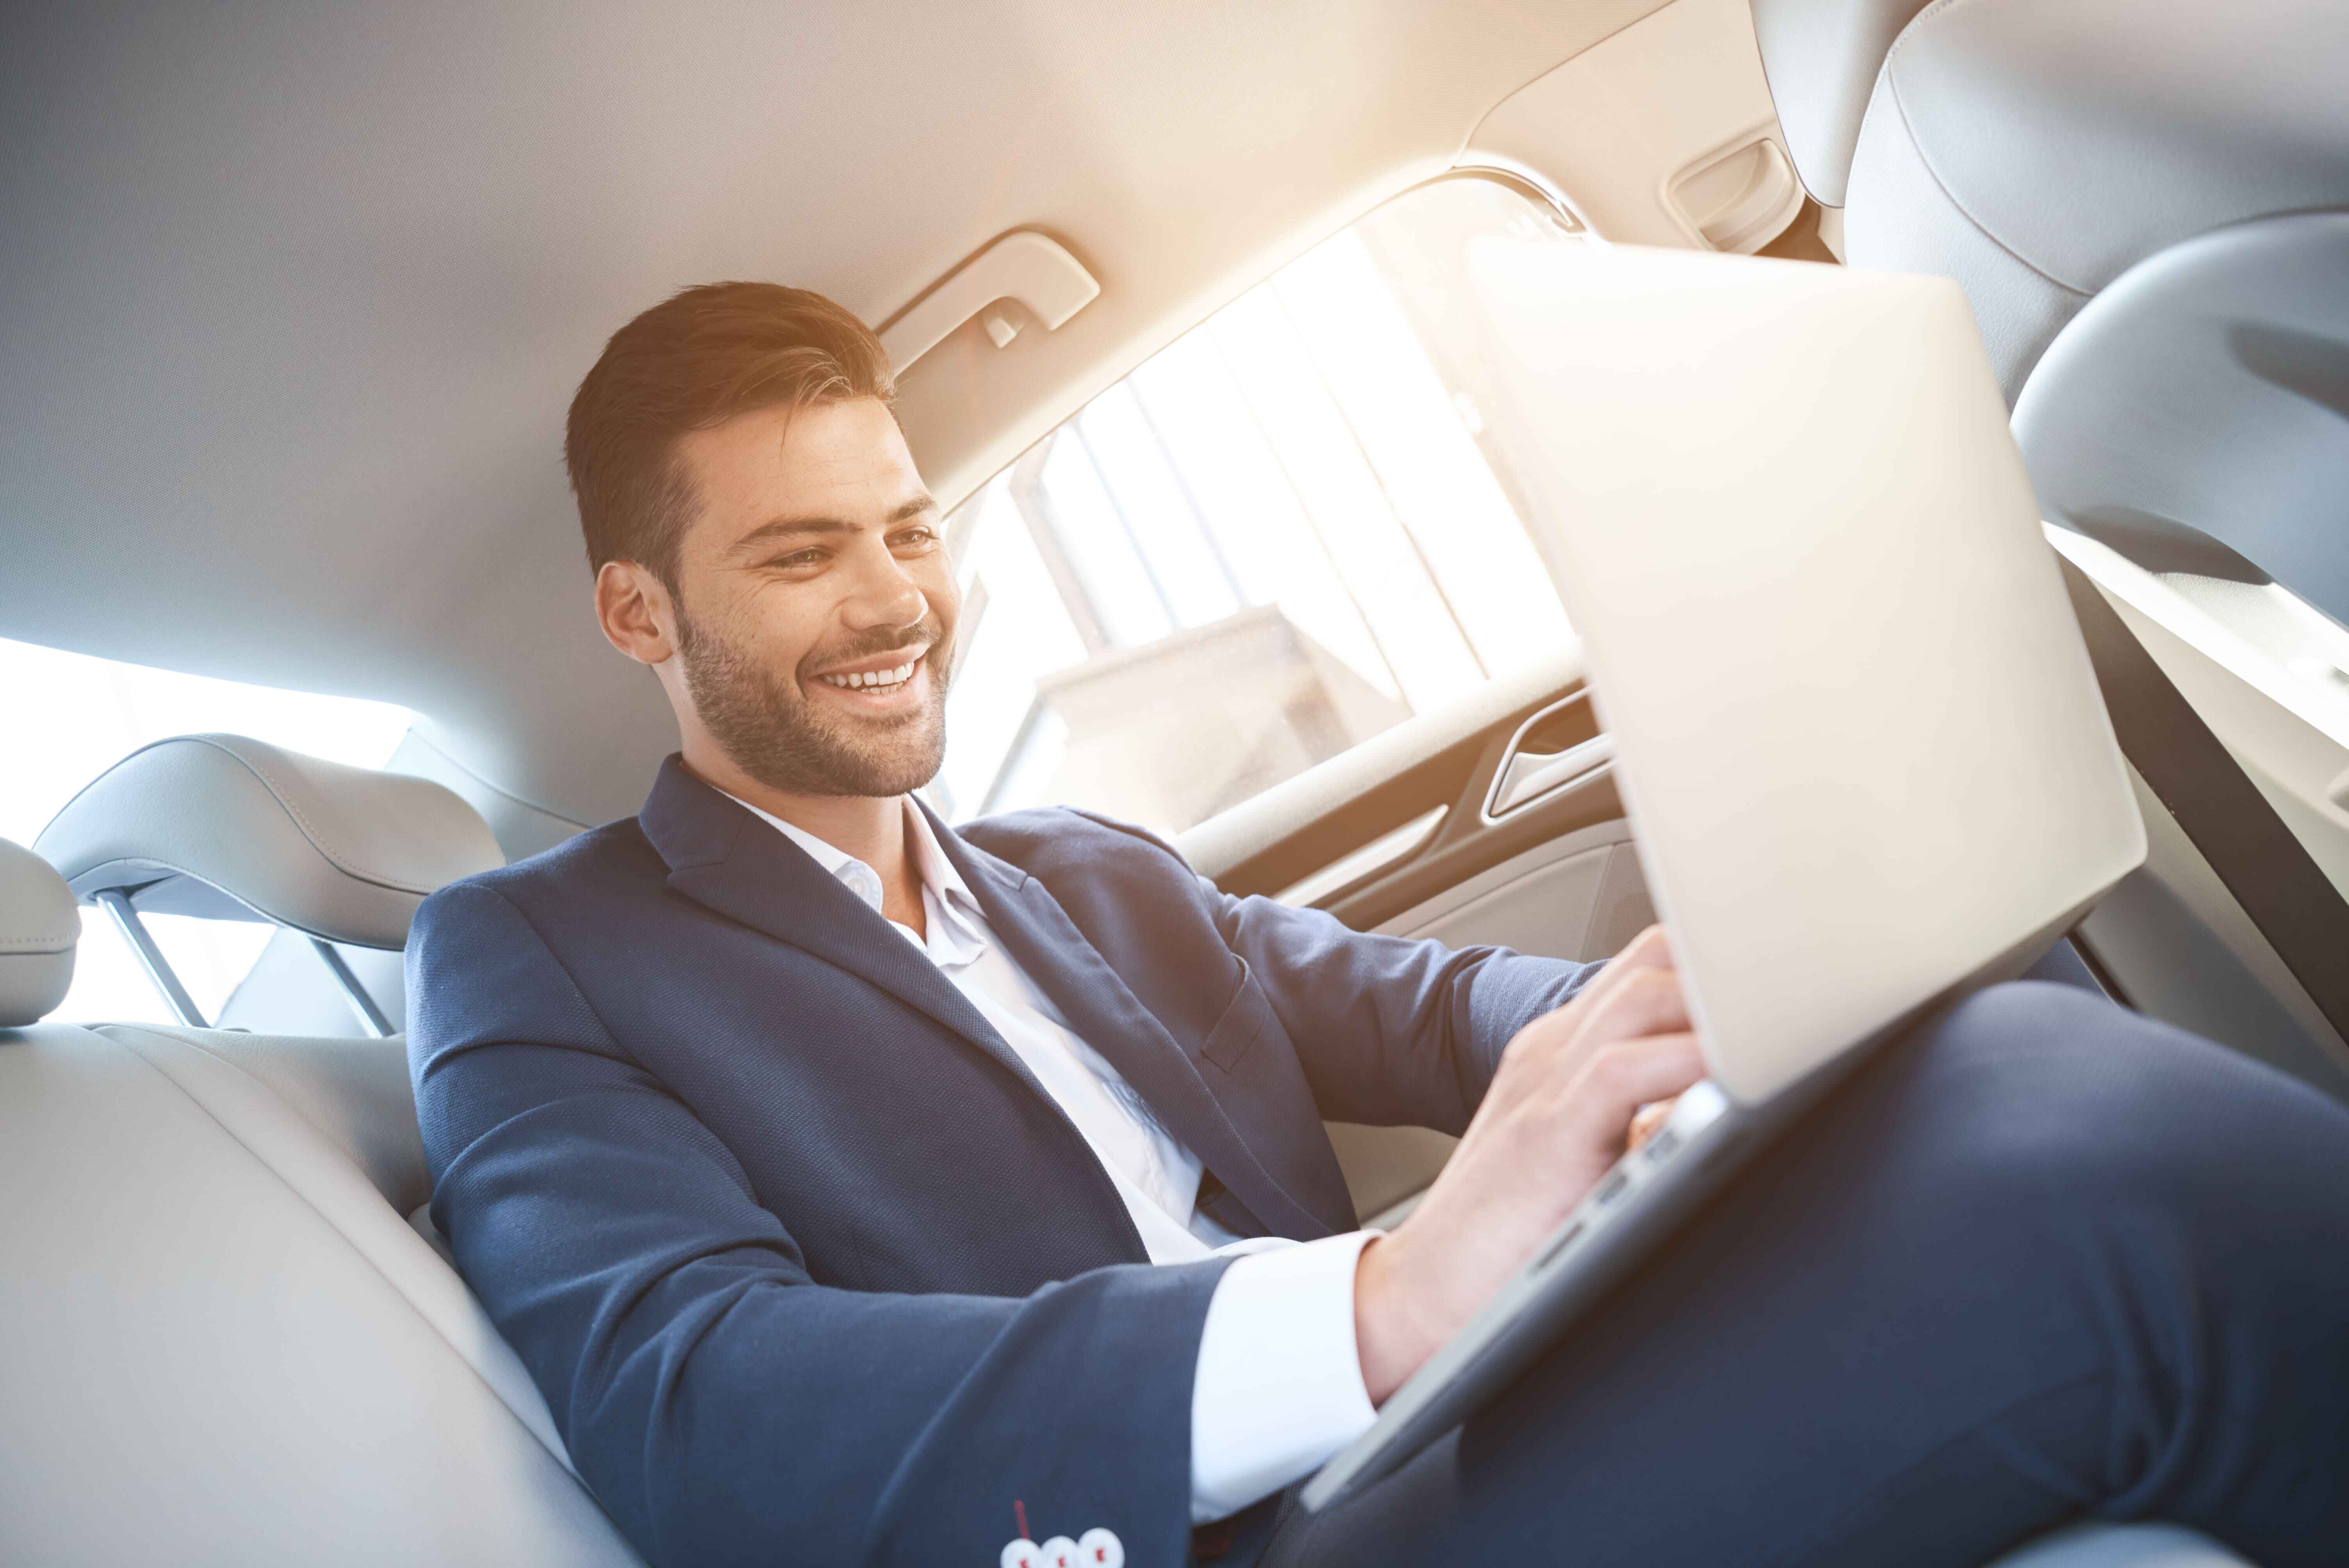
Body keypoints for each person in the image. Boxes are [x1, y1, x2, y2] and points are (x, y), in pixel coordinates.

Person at [405, 282, 2349, 1568]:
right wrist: (1379, 1301)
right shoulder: (536, 955)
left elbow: (1428, 1005)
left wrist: (1697, 1008)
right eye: (799, 551)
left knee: (1979, 1059)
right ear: (638, 613)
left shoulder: (1084, 867)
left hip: (1448, 1418)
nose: (896, 593)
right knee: (2086, 1183)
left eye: (909, 524)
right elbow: (704, 1396)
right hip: (1237, 1518)